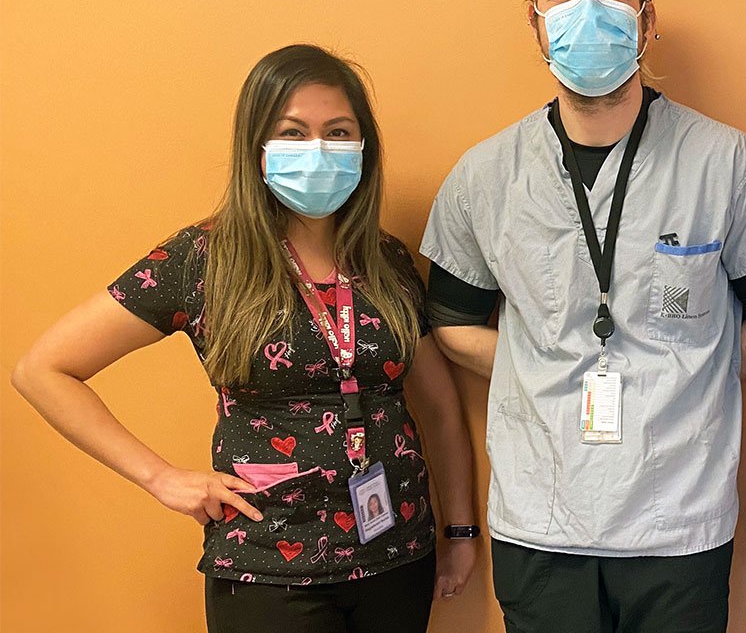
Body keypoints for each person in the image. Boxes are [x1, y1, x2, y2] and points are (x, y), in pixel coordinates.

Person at [11, 45, 480, 632]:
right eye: (293, 133)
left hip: (395, 553)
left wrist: (459, 530)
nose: (318, 152)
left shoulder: (386, 260)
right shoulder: (204, 259)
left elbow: (437, 408)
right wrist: (161, 478)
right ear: (256, 147)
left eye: (338, 133)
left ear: (365, 148)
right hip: (267, 567)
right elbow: (43, 370)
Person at [420, 0, 746, 633]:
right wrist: (541, 375)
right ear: (535, 22)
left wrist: (687, 375)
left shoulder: (724, 163)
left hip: (678, 518)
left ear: (646, 17)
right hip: (539, 520)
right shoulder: (486, 176)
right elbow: (452, 322)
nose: (586, 10)